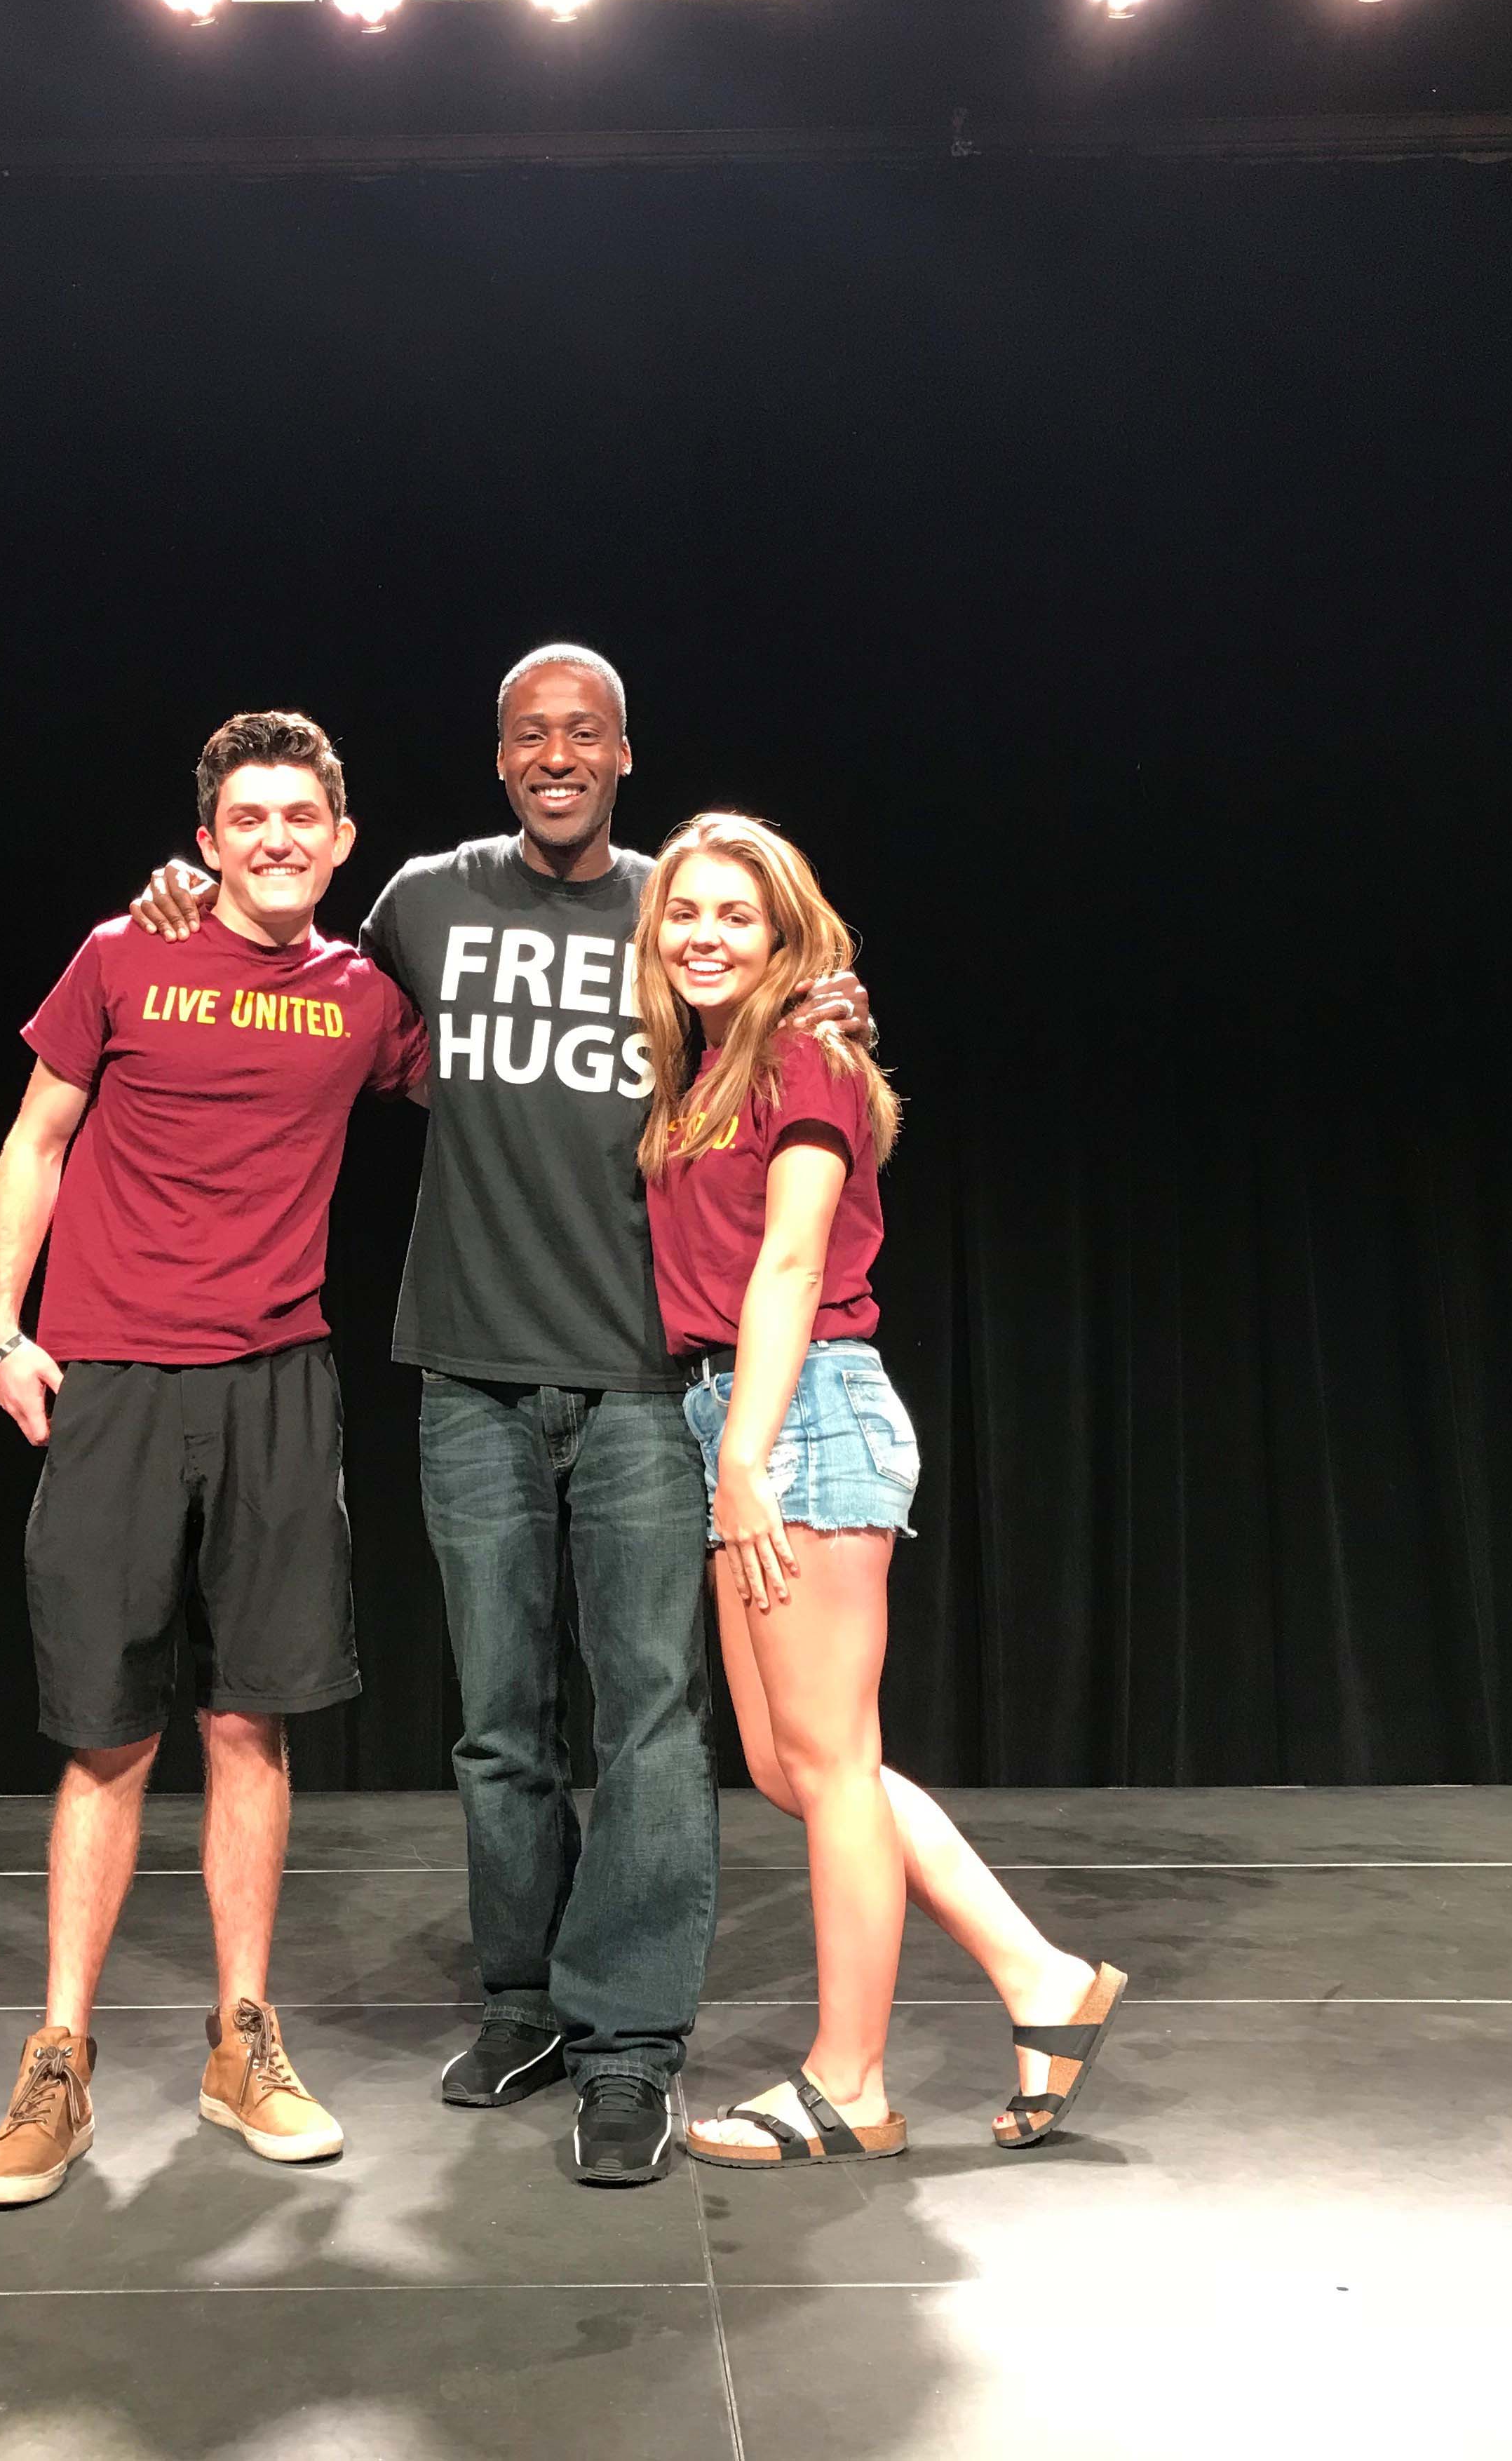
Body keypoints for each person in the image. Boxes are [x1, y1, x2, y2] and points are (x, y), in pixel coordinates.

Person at [130, 647, 869, 2187]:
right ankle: (524, 1997)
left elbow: (803, 1014)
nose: (555, 755)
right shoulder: (422, 902)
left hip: (643, 1378)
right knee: (496, 1721)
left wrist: (833, 996)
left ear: (622, 751)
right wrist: (176, 902)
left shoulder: (682, 913)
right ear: (497, 756)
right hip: (467, 1372)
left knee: (653, 1718)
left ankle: (631, 2044)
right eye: (529, 734)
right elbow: (296, 966)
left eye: (581, 733)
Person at [0, 710, 426, 2209]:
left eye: (304, 816)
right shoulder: (125, 954)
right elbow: (37, 1138)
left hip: (282, 1385)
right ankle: (61, 2059)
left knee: (253, 1721)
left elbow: (519, 1082)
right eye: (251, 818)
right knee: (108, 1731)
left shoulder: (364, 997)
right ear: (211, 839)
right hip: (117, 1381)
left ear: (341, 839)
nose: (279, 838)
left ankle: (243, 2043)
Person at [633, 810, 1126, 2166]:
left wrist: (744, 1454)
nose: (705, 935)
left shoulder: (803, 1054)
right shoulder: (711, 1070)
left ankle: (848, 2083)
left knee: (832, 1763)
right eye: (685, 913)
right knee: (801, 1768)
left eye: (738, 915)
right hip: (741, 1409)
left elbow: (791, 1264)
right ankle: (1040, 1978)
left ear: (788, 935)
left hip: (797, 1413)